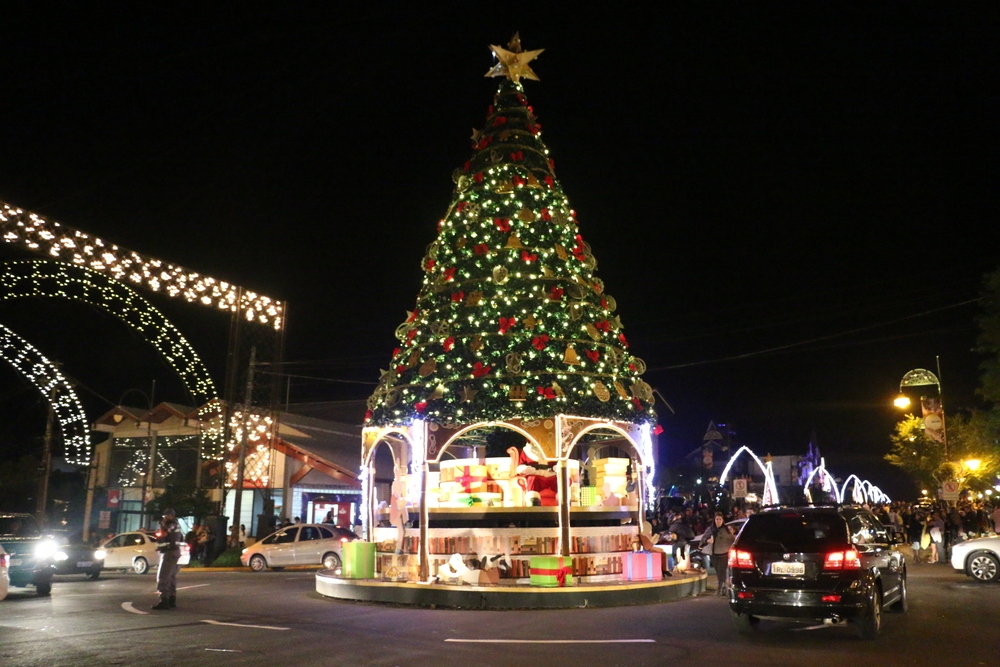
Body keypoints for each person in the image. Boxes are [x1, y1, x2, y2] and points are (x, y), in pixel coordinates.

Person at [152, 508, 183, 610]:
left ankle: (164, 600)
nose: (164, 518)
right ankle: (171, 599)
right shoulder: (175, 524)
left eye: (166, 516)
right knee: (171, 577)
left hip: (169, 552)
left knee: (163, 577)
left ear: (171, 516)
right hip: (173, 552)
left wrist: (162, 526)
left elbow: (164, 534)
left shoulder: (170, 524)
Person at [706, 514, 735, 595]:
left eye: (720, 519)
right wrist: (707, 540)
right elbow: (704, 538)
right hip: (713, 554)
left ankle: (722, 587)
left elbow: (732, 540)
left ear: (722, 521)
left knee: (722, 570)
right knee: (718, 571)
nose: (718, 521)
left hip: (724, 554)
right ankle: (721, 586)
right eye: (717, 519)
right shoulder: (710, 529)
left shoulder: (726, 531)